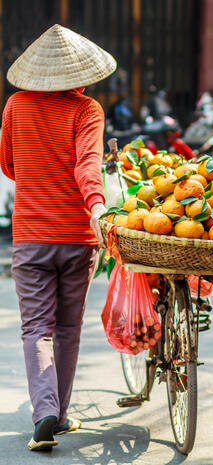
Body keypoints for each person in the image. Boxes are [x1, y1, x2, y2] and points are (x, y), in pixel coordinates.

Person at [0, 24, 116, 451]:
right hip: (76, 236)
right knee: (67, 327)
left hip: (30, 234)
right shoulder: (87, 111)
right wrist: (97, 206)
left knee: (36, 328)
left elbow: (9, 165)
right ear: (80, 76)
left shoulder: (16, 105)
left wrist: (38, 172)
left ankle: (45, 412)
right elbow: (89, 165)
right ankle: (59, 416)